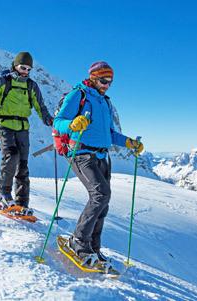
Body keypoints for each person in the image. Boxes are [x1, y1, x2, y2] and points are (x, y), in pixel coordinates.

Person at [53, 61, 144, 262]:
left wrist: (128, 142)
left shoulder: (105, 102)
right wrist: (73, 124)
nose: (107, 85)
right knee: (100, 195)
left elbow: (110, 134)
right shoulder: (79, 94)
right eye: (104, 80)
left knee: (103, 203)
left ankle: (93, 248)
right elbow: (58, 122)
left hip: (102, 156)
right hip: (81, 153)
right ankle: (78, 241)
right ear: (94, 77)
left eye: (110, 81)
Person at [0, 51, 53, 212]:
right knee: (11, 155)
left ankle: (22, 202)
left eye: (28, 69)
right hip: (4, 123)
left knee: (23, 164)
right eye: (22, 67)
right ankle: (3, 194)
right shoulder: (3, 81)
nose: (25, 71)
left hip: (22, 126)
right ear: (15, 66)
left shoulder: (31, 85)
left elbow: (40, 105)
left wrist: (48, 118)